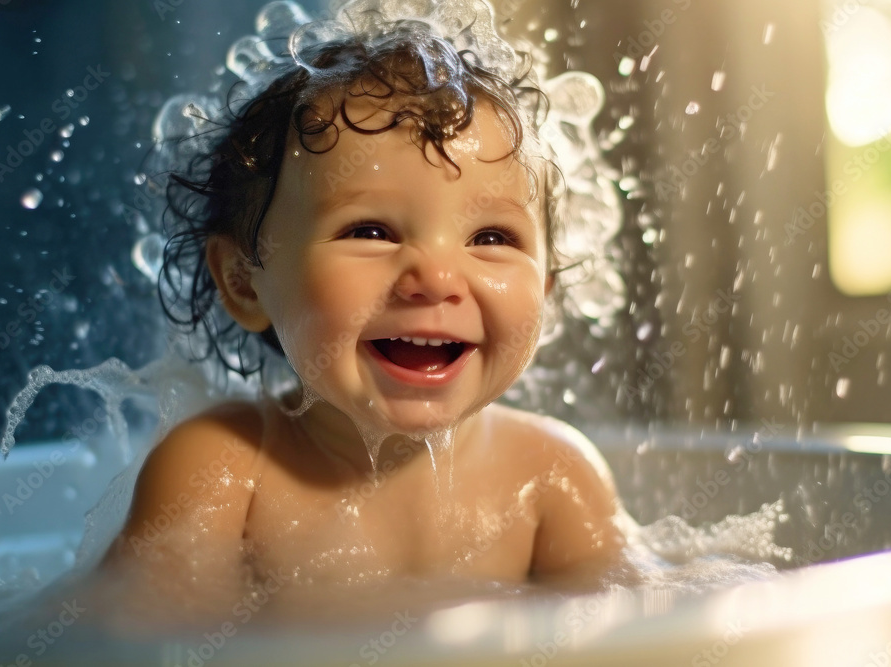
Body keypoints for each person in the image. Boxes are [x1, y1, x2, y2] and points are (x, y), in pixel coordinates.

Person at [99, 0, 631, 625]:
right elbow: (125, 645)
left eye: (492, 238)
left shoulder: (551, 477)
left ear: (544, 283)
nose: (434, 277)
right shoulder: (224, 472)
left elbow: (647, 634)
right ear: (243, 283)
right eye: (371, 230)